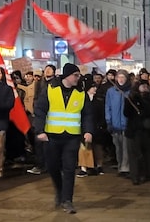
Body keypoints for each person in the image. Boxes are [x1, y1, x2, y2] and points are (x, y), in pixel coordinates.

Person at [34, 63, 93, 214]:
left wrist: (88, 131)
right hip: (52, 136)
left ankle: (67, 200)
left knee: (69, 168)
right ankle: (59, 190)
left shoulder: (81, 93)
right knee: (52, 167)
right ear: (67, 75)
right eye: (76, 75)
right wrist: (39, 130)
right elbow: (40, 110)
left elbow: (87, 114)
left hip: (72, 137)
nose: (78, 78)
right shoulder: (51, 89)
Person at [124, 82, 150, 185]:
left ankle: (146, 173)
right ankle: (135, 175)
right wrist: (131, 101)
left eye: (146, 86)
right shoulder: (131, 98)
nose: (145, 88)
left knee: (147, 153)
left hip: (147, 130)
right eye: (143, 86)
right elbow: (126, 113)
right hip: (134, 131)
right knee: (134, 154)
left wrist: (142, 105)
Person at [105, 69, 131, 177]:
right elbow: (108, 107)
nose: (121, 79)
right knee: (118, 147)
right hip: (115, 125)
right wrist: (108, 121)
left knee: (126, 147)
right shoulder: (111, 91)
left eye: (123, 77)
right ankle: (120, 166)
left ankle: (126, 167)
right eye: (119, 77)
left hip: (126, 124)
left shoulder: (130, 91)